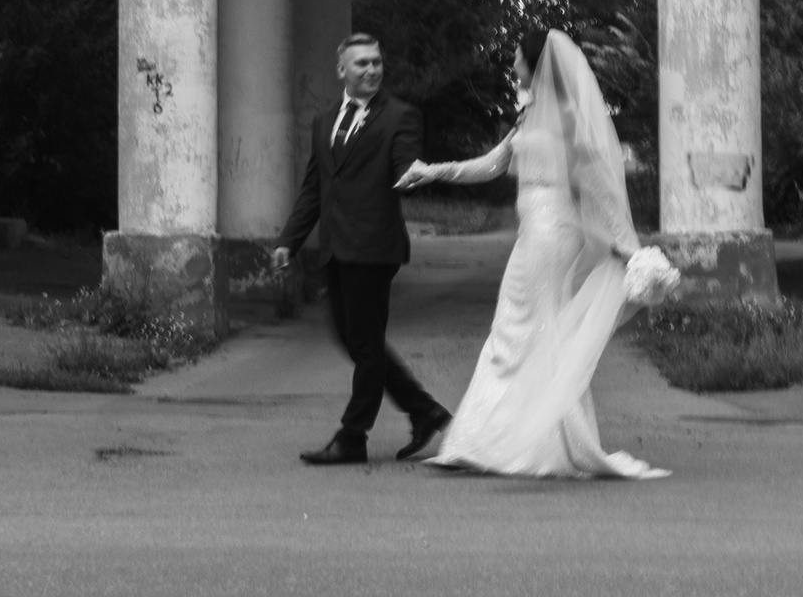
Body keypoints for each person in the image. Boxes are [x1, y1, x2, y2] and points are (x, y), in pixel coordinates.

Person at [396, 28, 672, 480]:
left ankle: (531, 443)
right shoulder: (530, 114)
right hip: (533, 231)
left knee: (532, 326)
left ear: (535, 62)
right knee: (519, 327)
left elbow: (597, 183)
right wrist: (431, 171)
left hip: (554, 231)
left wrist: (628, 246)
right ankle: (496, 438)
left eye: (517, 58)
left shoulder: (567, 116)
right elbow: (492, 164)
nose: (512, 66)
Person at [271, 33, 453, 466]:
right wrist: (288, 242)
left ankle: (353, 437)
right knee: (353, 340)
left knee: (366, 346)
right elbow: (315, 188)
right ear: (342, 71)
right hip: (335, 247)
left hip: (374, 246)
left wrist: (411, 174)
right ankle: (425, 410)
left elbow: (404, 163)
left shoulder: (400, 116)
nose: (371, 70)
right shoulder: (325, 120)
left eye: (376, 62)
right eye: (361, 64)